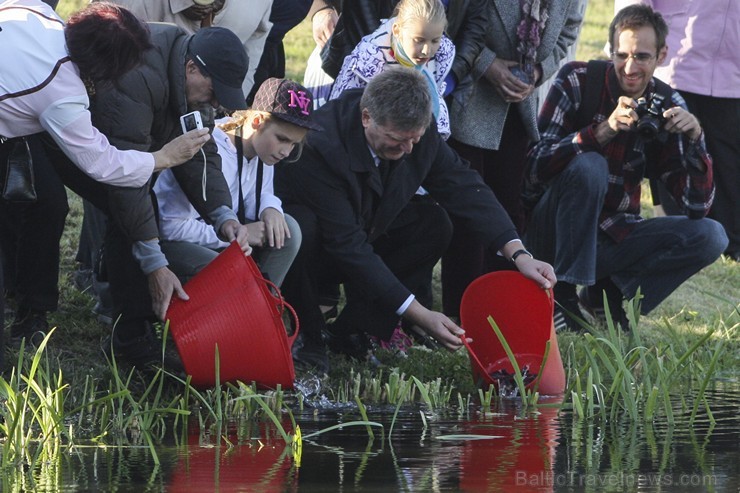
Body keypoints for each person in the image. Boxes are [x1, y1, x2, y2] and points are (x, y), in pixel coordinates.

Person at [275, 67, 556, 372]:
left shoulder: (417, 135)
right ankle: (307, 333)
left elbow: (464, 186)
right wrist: (420, 314)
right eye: (397, 140)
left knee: (433, 223)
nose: (408, 149)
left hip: (367, 227)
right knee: (301, 226)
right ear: (367, 117)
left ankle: (355, 330)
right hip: (317, 250)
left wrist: (518, 252)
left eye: (415, 140)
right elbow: (348, 246)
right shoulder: (322, 145)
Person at [42, 23, 252, 371]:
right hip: (50, 131)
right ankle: (128, 339)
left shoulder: (186, 76)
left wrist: (223, 214)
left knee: (138, 217)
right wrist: (155, 264)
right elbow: (125, 182)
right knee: (126, 214)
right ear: (192, 68)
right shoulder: (137, 78)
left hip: (108, 144)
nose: (215, 102)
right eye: (215, 91)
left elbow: (198, 153)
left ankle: (129, 321)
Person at [0, 1, 209, 348]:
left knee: (50, 203)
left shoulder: (42, 15)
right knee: (43, 203)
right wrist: (162, 157)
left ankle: (47, 309)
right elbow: (103, 164)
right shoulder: (62, 94)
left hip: (16, 122)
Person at [522, 4, 728, 331]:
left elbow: (696, 207)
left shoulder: (667, 104)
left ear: (662, 55)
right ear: (610, 50)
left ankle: (610, 295)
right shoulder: (577, 79)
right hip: (551, 237)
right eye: (622, 55)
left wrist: (695, 140)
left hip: (613, 233)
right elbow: (532, 169)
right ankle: (561, 292)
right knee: (590, 165)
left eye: (642, 57)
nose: (629, 68)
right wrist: (601, 132)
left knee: (712, 236)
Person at [441, 0, 584, 320]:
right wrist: (487, 65)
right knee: (467, 212)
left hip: (518, 105)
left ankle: (497, 306)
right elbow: (454, 20)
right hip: (468, 96)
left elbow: (568, 31)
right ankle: (459, 310)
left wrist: (536, 71)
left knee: (507, 206)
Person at [154, 78, 321, 287]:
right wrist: (237, 235)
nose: (286, 152)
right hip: (175, 245)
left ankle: (262, 305)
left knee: (289, 229)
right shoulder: (211, 150)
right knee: (230, 270)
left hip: (225, 236)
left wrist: (269, 207)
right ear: (257, 121)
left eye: (293, 144)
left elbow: (255, 194)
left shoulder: (263, 150)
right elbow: (169, 227)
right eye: (282, 139)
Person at [613, 0, 740, 262]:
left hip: (734, 79)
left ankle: (729, 245)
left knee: (729, 169)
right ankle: (677, 239)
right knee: (670, 160)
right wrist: (627, 41)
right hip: (677, 63)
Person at [329, 0, 454, 138]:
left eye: (435, 41)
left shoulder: (440, 56)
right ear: (397, 30)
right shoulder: (368, 60)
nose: (427, 50)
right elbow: (343, 114)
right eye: (419, 40)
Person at [102, 0, 273, 100]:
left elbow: (254, 44)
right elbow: (101, 43)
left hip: (207, 115)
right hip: (132, 103)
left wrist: (227, 99)